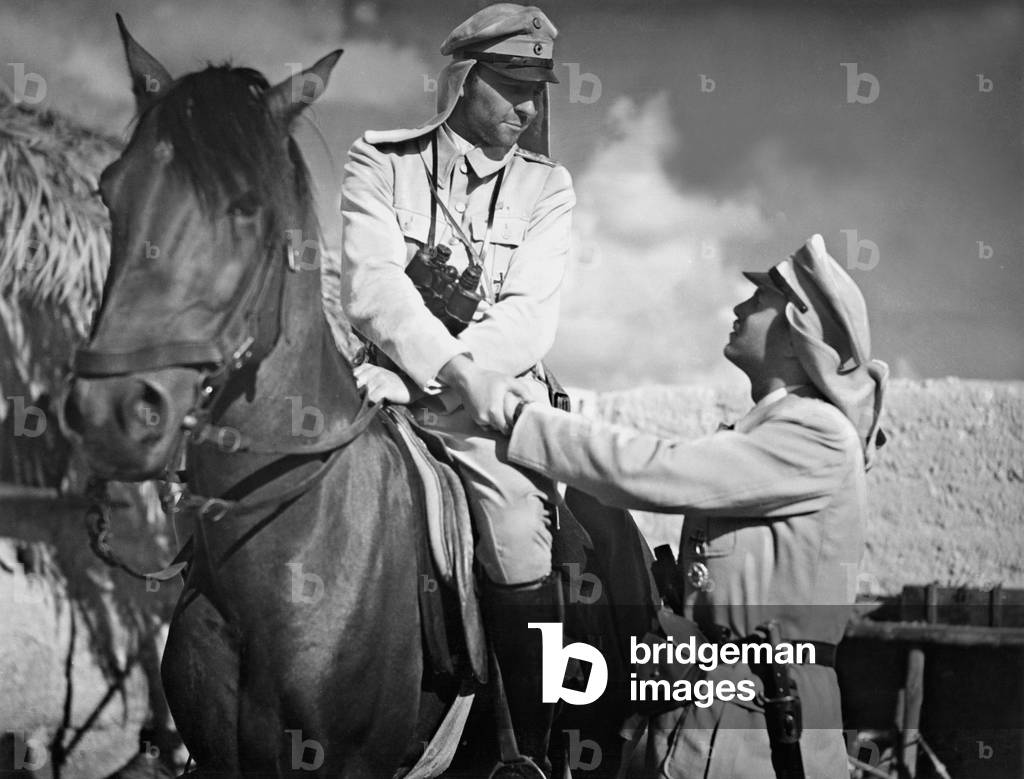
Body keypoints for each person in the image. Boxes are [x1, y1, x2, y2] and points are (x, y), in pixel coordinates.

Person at [492, 234, 889, 778]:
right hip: (705, 718)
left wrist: (519, 420)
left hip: (763, 735)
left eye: (759, 301)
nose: (739, 307)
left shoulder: (817, 434)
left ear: (800, 331)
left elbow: (656, 470)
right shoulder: (770, 430)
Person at [337, 4, 572, 773]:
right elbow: (373, 288)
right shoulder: (379, 162)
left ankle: (526, 751)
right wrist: (406, 377)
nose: (528, 107)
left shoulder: (548, 189)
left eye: (538, 88)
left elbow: (528, 317)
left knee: (513, 536)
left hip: (483, 415)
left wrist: (437, 383)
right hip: (373, 388)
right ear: (464, 80)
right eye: (510, 85)